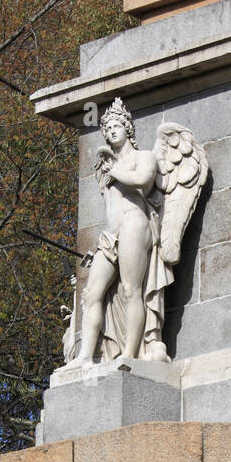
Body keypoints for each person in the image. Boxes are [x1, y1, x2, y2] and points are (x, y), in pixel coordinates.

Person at [74, 100, 163, 365]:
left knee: (130, 289)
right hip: (110, 233)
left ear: (128, 129)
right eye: (108, 128)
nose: (112, 131)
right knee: (91, 294)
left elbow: (143, 181)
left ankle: (129, 354)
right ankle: (85, 356)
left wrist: (115, 169)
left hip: (134, 225)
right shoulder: (106, 167)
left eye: (117, 126)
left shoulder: (143, 157)